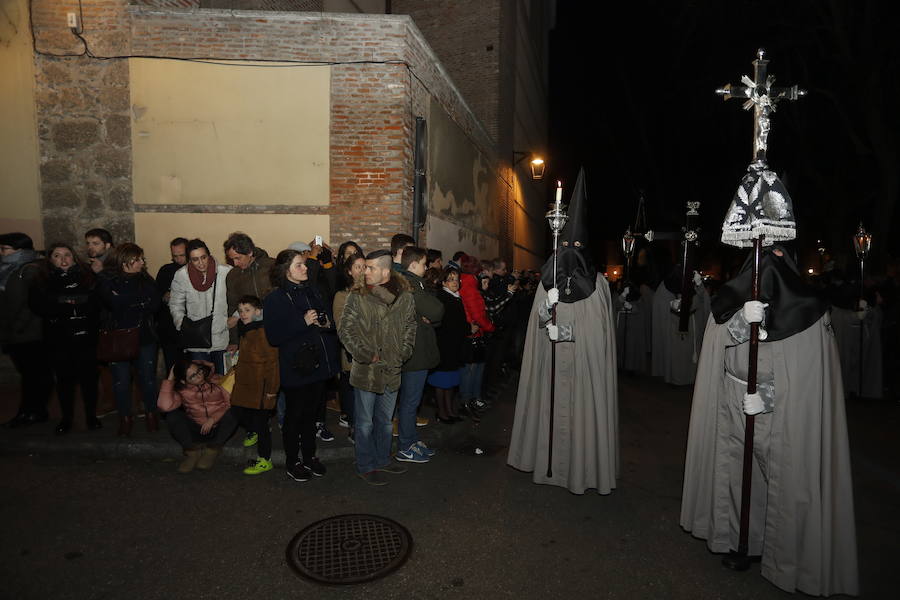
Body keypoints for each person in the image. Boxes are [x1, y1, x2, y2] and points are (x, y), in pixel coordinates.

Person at [680, 244, 858, 596]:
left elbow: (811, 379)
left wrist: (769, 398)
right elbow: (717, 345)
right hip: (732, 398)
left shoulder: (810, 312)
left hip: (780, 411)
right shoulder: (733, 302)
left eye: (779, 258)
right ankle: (740, 539)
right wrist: (740, 323)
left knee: (780, 476)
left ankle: (783, 557)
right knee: (734, 472)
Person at [507, 169, 619, 495]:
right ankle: (546, 465)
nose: (570, 249)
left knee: (581, 417)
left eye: (577, 244)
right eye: (565, 243)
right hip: (551, 364)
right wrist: (546, 310)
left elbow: (599, 335)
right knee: (549, 411)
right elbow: (537, 324)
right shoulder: (548, 278)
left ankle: (580, 472)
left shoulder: (598, 284)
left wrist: (566, 331)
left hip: (584, 369)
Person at [337, 250, 416, 486]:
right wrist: (363, 353)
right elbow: (345, 330)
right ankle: (365, 464)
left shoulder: (405, 296)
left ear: (385, 271)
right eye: (364, 267)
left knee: (384, 420)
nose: (365, 271)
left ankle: (382, 459)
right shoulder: (357, 295)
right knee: (364, 422)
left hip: (392, 369)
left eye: (370, 268)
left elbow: (410, 325)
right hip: (367, 370)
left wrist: (404, 351)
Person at [264, 249, 339, 482]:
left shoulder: (312, 290)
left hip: (318, 365)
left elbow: (326, 320)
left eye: (304, 264)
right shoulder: (275, 298)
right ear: (286, 271)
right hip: (295, 367)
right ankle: (292, 461)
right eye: (299, 265)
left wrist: (325, 321)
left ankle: (309, 456)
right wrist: (303, 321)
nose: (305, 268)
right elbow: (274, 336)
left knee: (311, 416)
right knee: (294, 417)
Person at [31, 243, 102, 434]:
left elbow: (96, 302)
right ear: (50, 259)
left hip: (85, 337)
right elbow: (39, 305)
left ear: (74, 257)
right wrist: (70, 303)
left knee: (89, 380)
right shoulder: (43, 279)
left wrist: (65, 302)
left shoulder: (86, 276)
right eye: (57, 255)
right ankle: (67, 418)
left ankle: (91, 416)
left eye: (67, 255)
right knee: (64, 381)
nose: (63, 259)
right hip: (59, 339)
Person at [98, 243, 162, 436]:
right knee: (121, 381)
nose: (142, 262)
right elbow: (112, 303)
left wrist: (125, 300)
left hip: (145, 337)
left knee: (148, 380)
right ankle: (125, 418)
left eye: (142, 259)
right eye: (138, 259)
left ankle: (151, 414)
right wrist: (138, 301)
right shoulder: (107, 279)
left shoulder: (146, 279)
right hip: (118, 338)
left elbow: (155, 304)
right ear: (124, 261)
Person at [396, 246, 444, 463]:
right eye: (424, 264)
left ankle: (412, 440)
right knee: (410, 401)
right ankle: (405, 445)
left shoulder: (415, 283)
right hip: (414, 351)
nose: (426, 267)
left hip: (418, 349)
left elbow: (434, 316)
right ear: (413, 264)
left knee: (412, 401)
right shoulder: (410, 284)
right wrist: (430, 316)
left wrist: (430, 317)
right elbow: (437, 310)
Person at [1, 232, 52, 427]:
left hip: (29, 333)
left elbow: (32, 304)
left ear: (20, 250)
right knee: (28, 374)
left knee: (35, 374)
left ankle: (34, 411)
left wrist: (18, 326)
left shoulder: (30, 270)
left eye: (5, 249)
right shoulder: (8, 270)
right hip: (14, 333)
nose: (2, 253)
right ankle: (28, 411)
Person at [157, 358, 238, 473]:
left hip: (217, 429)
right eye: (193, 376)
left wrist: (213, 419)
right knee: (172, 415)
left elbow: (229, 404)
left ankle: (212, 450)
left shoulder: (216, 381)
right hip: (196, 430)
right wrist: (170, 378)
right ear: (183, 381)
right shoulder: (182, 391)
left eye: (199, 371)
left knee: (235, 412)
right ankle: (192, 453)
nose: (199, 376)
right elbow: (164, 407)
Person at [229, 295, 279, 475]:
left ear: (258, 312)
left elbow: (273, 363)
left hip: (261, 387)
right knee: (236, 410)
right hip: (246, 384)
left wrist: (272, 391)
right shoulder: (247, 329)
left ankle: (265, 460)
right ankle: (254, 430)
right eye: (241, 311)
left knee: (261, 424)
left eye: (247, 310)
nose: (243, 314)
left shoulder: (263, 332)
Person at [169, 239, 232, 375]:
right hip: (196, 341)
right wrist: (181, 324)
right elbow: (175, 304)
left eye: (203, 257)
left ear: (209, 255)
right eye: (195, 259)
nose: (201, 263)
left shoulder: (225, 272)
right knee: (200, 386)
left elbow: (239, 299)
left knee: (224, 383)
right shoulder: (181, 275)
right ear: (189, 260)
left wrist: (233, 319)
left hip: (222, 338)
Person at [651, 266, 710, 385]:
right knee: (677, 356)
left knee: (687, 355)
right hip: (675, 326)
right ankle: (676, 379)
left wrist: (699, 285)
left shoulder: (692, 286)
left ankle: (688, 378)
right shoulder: (666, 287)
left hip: (690, 324)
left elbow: (700, 302)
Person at [333, 252, 366, 441]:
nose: (362, 271)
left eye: (364, 266)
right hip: (353, 353)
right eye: (357, 267)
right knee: (354, 394)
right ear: (349, 271)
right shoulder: (342, 296)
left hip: (374, 355)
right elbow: (342, 329)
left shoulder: (373, 292)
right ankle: (354, 427)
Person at [223, 232, 275, 352]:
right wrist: (234, 341)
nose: (235, 263)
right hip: (249, 335)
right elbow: (232, 307)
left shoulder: (271, 267)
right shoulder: (233, 276)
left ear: (250, 252)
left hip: (274, 329)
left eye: (238, 258)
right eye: (232, 259)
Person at [458, 253, 495, 417]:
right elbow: (478, 314)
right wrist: (490, 327)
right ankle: (468, 400)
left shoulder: (467, 283)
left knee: (473, 369)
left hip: (472, 330)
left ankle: (471, 399)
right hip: (473, 333)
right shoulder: (470, 286)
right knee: (471, 370)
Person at [430, 268, 467, 423]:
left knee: (451, 380)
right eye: (451, 279)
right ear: (444, 282)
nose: (455, 282)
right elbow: (446, 323)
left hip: (454, 345)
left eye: (457, 279)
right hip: (444, 345)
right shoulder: (443, 297)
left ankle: (450, 410)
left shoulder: (456, 297)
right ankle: (442, 412)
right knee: (441, 381)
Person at [155, 237, 188, 374]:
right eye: (175, 256)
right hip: (169, 330)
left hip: (191, 329)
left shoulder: (196, 269)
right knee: (173, 371)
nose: (179, 259)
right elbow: (159, 298)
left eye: (182, 255)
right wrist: (166, 296)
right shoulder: (166, 271)